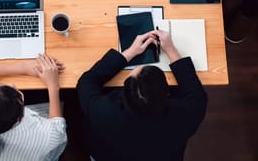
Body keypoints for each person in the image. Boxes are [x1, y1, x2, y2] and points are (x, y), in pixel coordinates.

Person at [76, 30, 208, 161]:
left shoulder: (104, 111)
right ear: (167, 91)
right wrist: (171, 50)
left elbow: (87, 81)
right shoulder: (187, 114)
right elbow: (196, 94)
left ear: (123, 94)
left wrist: (130, 52)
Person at [0, 54, 67, 161]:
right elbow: (58, 128)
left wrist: (24, 67)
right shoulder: (42, 136)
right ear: (19, 118)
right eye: (18, 94)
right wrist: (53, 85)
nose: (12, 84)